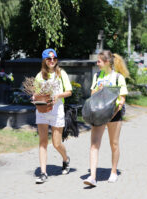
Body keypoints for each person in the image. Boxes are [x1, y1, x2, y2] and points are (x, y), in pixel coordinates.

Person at [83, 50, 129, 187]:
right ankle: (92, 176)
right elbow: (92, 94)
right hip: (98, 114)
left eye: (99, 61)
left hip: (114, 114)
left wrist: (116, 110)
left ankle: (114, 171)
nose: (97, 63)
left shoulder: (118, 77)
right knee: (94, 144)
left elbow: (122, 98)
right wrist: (99, 90)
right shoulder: (97, 76)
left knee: (113, 144)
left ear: (107, 62)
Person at [34, 48, 73, 184]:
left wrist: (58, 95)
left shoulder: (61, 73)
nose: (52, 61)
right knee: (43, 142)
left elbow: (69, 91)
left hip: (57, 110)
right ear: (44, 60)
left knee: (56, 143)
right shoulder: (39, 76)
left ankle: (65, 159)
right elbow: (36, 93)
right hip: (42, 111)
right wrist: (35, 97)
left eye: (54, 58)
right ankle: (43, 173)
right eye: (49, 59)